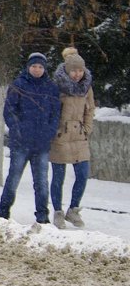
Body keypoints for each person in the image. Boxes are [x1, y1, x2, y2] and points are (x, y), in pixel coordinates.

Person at [0, 52, 61, 224]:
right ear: (28, 67)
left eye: (40, 66)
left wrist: (49, 132)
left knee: (41, 181)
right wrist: (18, 130)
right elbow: (9, 111)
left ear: (45, 69)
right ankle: (3, 212)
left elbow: (55, 114)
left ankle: (42, 215)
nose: (37, 69)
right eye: (34, 66)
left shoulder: (51, 88)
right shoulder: (18, 85)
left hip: (42, 144)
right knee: (14, 178)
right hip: (20, 143)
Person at [49, 47, 96, 228]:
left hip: (79, 136)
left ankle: (73, 210)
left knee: (83, 174)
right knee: (58, 177)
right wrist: (54, 129)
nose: (77, 74)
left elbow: (90, 108)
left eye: (80, 70)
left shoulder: (87, 87)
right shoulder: (57, 85)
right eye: (74, 70)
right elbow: (50, 108)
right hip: (60, 135)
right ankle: (58, 212)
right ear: (67, 70)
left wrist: (87, 128)